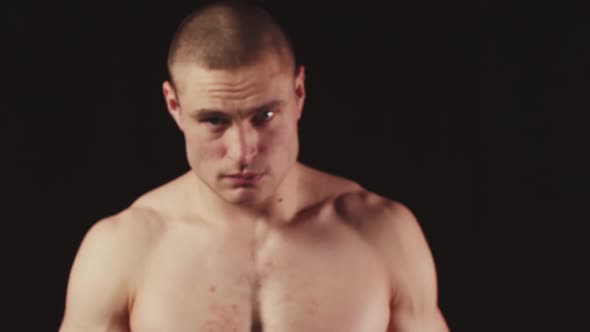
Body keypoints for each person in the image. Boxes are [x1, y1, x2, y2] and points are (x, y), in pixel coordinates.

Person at [58, 1, 449, 331]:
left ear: (298, 93)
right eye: (214, 121)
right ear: (174, 106)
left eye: (263, 116)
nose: (243, 151)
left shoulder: (383, 235)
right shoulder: (122, 250)